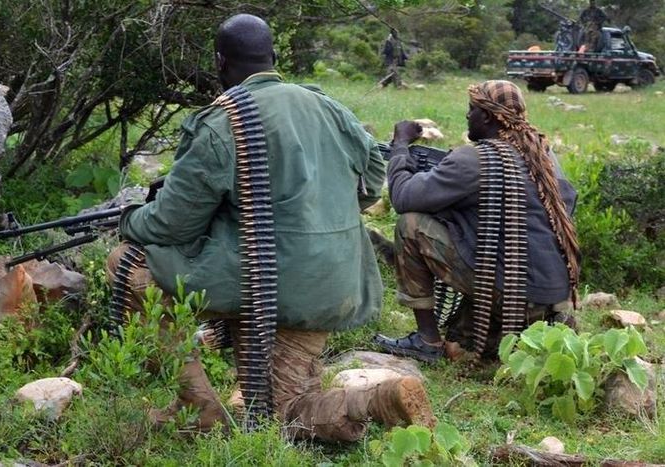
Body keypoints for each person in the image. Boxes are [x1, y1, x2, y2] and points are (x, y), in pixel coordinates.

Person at [106, 13, 436, 442]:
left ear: (221, 63)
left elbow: (171, 223)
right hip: (330, 287)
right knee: (288, 412)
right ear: (274, 57)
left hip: (263, 283)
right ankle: (376, 401)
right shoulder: (329, 106)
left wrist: (130, 216)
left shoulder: (223, 121)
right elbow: (373, 179)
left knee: (126, 261)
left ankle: (197, 405)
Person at [374, 80, 580, 363]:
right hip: (552, 296)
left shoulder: (475, 159)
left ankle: (426, 340)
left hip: (511, 293)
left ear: (486, 116)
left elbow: (403, 198)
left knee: (410, 225)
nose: (467, 116)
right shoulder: (543, 155)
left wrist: (400, 146)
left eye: (471, 110)